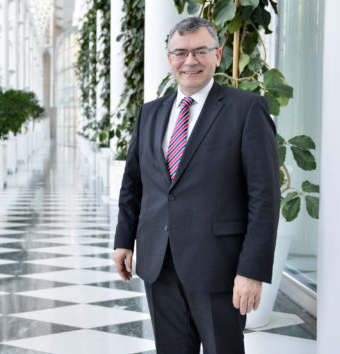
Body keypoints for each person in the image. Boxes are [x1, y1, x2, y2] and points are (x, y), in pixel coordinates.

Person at [113, 17, 279, 354]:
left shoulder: (246, 109)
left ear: (218, 56)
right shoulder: (149, 113)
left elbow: (264, 197)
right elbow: (134, 183)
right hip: (160, 264)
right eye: (181, 53)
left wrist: (252, 270)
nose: (190, 61)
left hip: (219, 267)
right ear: (170, 58)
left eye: (200, 51)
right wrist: (123, 239)